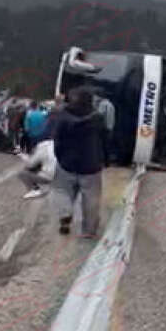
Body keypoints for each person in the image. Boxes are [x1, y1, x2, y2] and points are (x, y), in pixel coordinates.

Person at [51, 87, 105, 238]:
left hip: (67, 163)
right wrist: (104, 159)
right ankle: (89, 230)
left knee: (63, 192)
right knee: (91, 199)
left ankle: (65, 216)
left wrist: (60, 157)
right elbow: (106, 139)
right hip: (91, 165)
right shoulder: (98, 118)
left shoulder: (63, 117)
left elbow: (57, 139)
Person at [17, 131, 56, 199]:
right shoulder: (61, 144)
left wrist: (24, 157)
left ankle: (34, 190)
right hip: (64, 176)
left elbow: (30, 164)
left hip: (50, 176)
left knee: (22, 173)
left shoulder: (43, 147)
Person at [94, 93, 116, 166]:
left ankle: (100, 162)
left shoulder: (103, 104)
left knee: (100, 146)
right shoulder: (111, 104)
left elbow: (100, 115)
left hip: (104, 128)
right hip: (110, 128)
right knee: (107, 147)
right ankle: (107, 163)